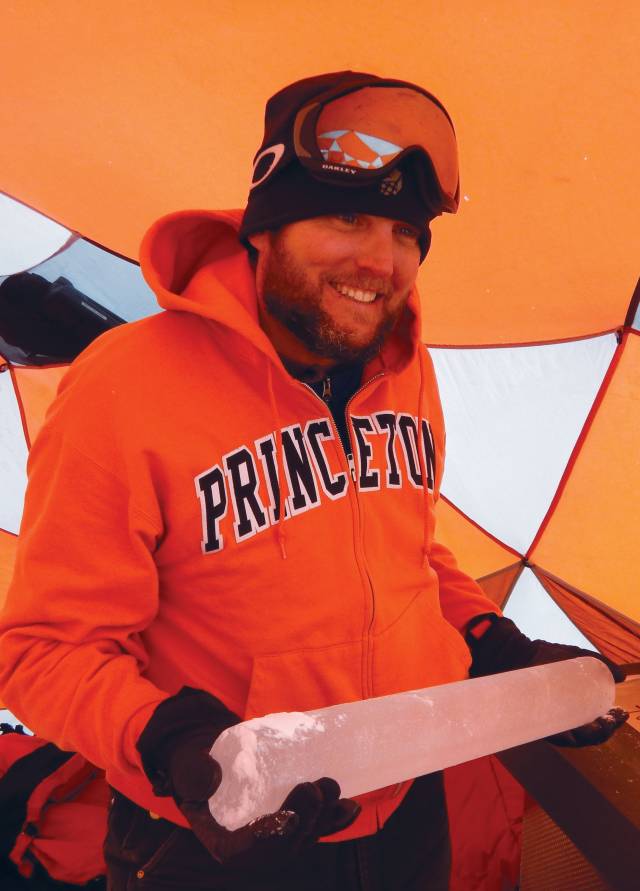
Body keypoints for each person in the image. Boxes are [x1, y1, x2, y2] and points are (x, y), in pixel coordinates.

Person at [0, 71, 627, 891]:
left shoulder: (404, 367)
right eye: (347, 217)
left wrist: (488, 642)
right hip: (213, 836)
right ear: (267, 226)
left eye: (406, 232)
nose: (381, 260)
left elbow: (407, 550)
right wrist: (168, 738)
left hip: (404, 808)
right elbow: (44, 648)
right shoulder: (126, 384)